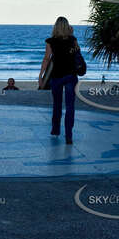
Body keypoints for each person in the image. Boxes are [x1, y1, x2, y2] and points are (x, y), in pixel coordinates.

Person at [39, 16, 81, 145]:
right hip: (71, 76)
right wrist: (72, 35)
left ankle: (55, 130)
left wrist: (41, 75)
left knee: (57, 105)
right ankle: (69, 136)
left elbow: (46, 59)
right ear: (67, 26)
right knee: (70, 106)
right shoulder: (73, 40)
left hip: (56, 77)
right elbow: (77, 53)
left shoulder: (50, 41)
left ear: (55, 27)